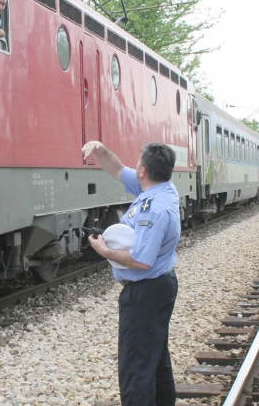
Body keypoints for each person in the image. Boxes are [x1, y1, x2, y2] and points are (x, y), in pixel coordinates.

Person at [81, 140, 180, 406]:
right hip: (157, 288)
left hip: (146, 292)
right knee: (155, 359)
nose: (133, 166)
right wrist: (100, 150)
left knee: (135, 367)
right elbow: (116, 169)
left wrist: (104, 250)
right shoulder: (159, 189)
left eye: (138, 162)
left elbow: (140, 261)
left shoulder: (155, 209)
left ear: (143, 171)